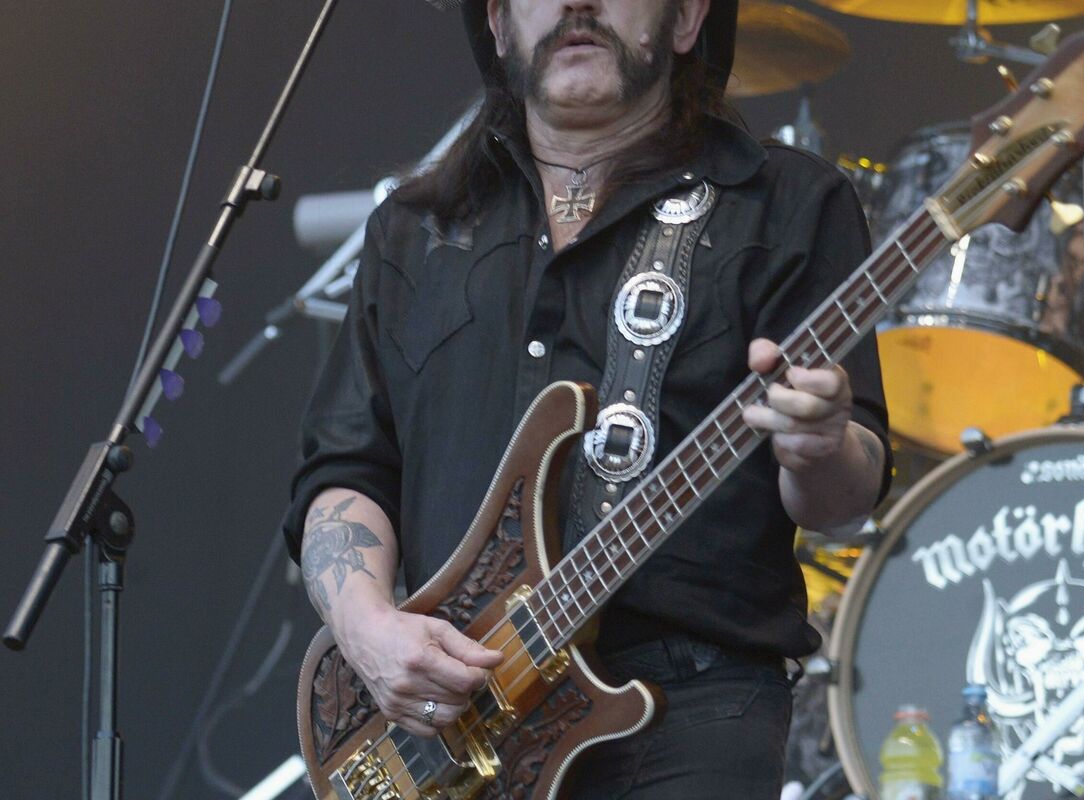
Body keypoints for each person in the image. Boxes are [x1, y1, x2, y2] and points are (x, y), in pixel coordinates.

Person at [281, 1, 891, 796]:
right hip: (458, 724)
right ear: (498, 23)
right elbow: (346, 470)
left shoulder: (786, 202)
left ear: (686, 18)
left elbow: (844, 501)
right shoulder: (416, 228)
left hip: (689, 718)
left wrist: (820, 447)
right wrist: (367, 629)